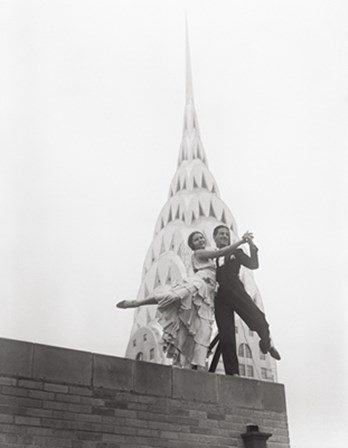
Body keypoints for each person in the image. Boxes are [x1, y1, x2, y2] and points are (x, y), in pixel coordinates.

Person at [117, 230, 252, 370]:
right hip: (197, 283)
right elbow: (220, 253)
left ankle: (198, 366)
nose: (200, 240)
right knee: (173, 296)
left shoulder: (213, 256)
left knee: (204, 331)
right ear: (192, 246)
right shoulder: (199, 253)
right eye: (196, 240)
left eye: (201, 238)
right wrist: (241, 241)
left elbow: (223, 262)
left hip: (208, 294)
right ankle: (137, 303)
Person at [211, 225, 281, 376]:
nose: (224, 236)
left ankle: (266, 343)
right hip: (220, 297)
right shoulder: (211, 256)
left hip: (236, 291)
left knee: (258, 318)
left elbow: (253, 265)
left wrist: (251, 245)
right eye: (221, 234)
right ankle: (232, 372)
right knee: (226, 334)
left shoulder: (236, 251)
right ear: (214, 238)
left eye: (226, 234)